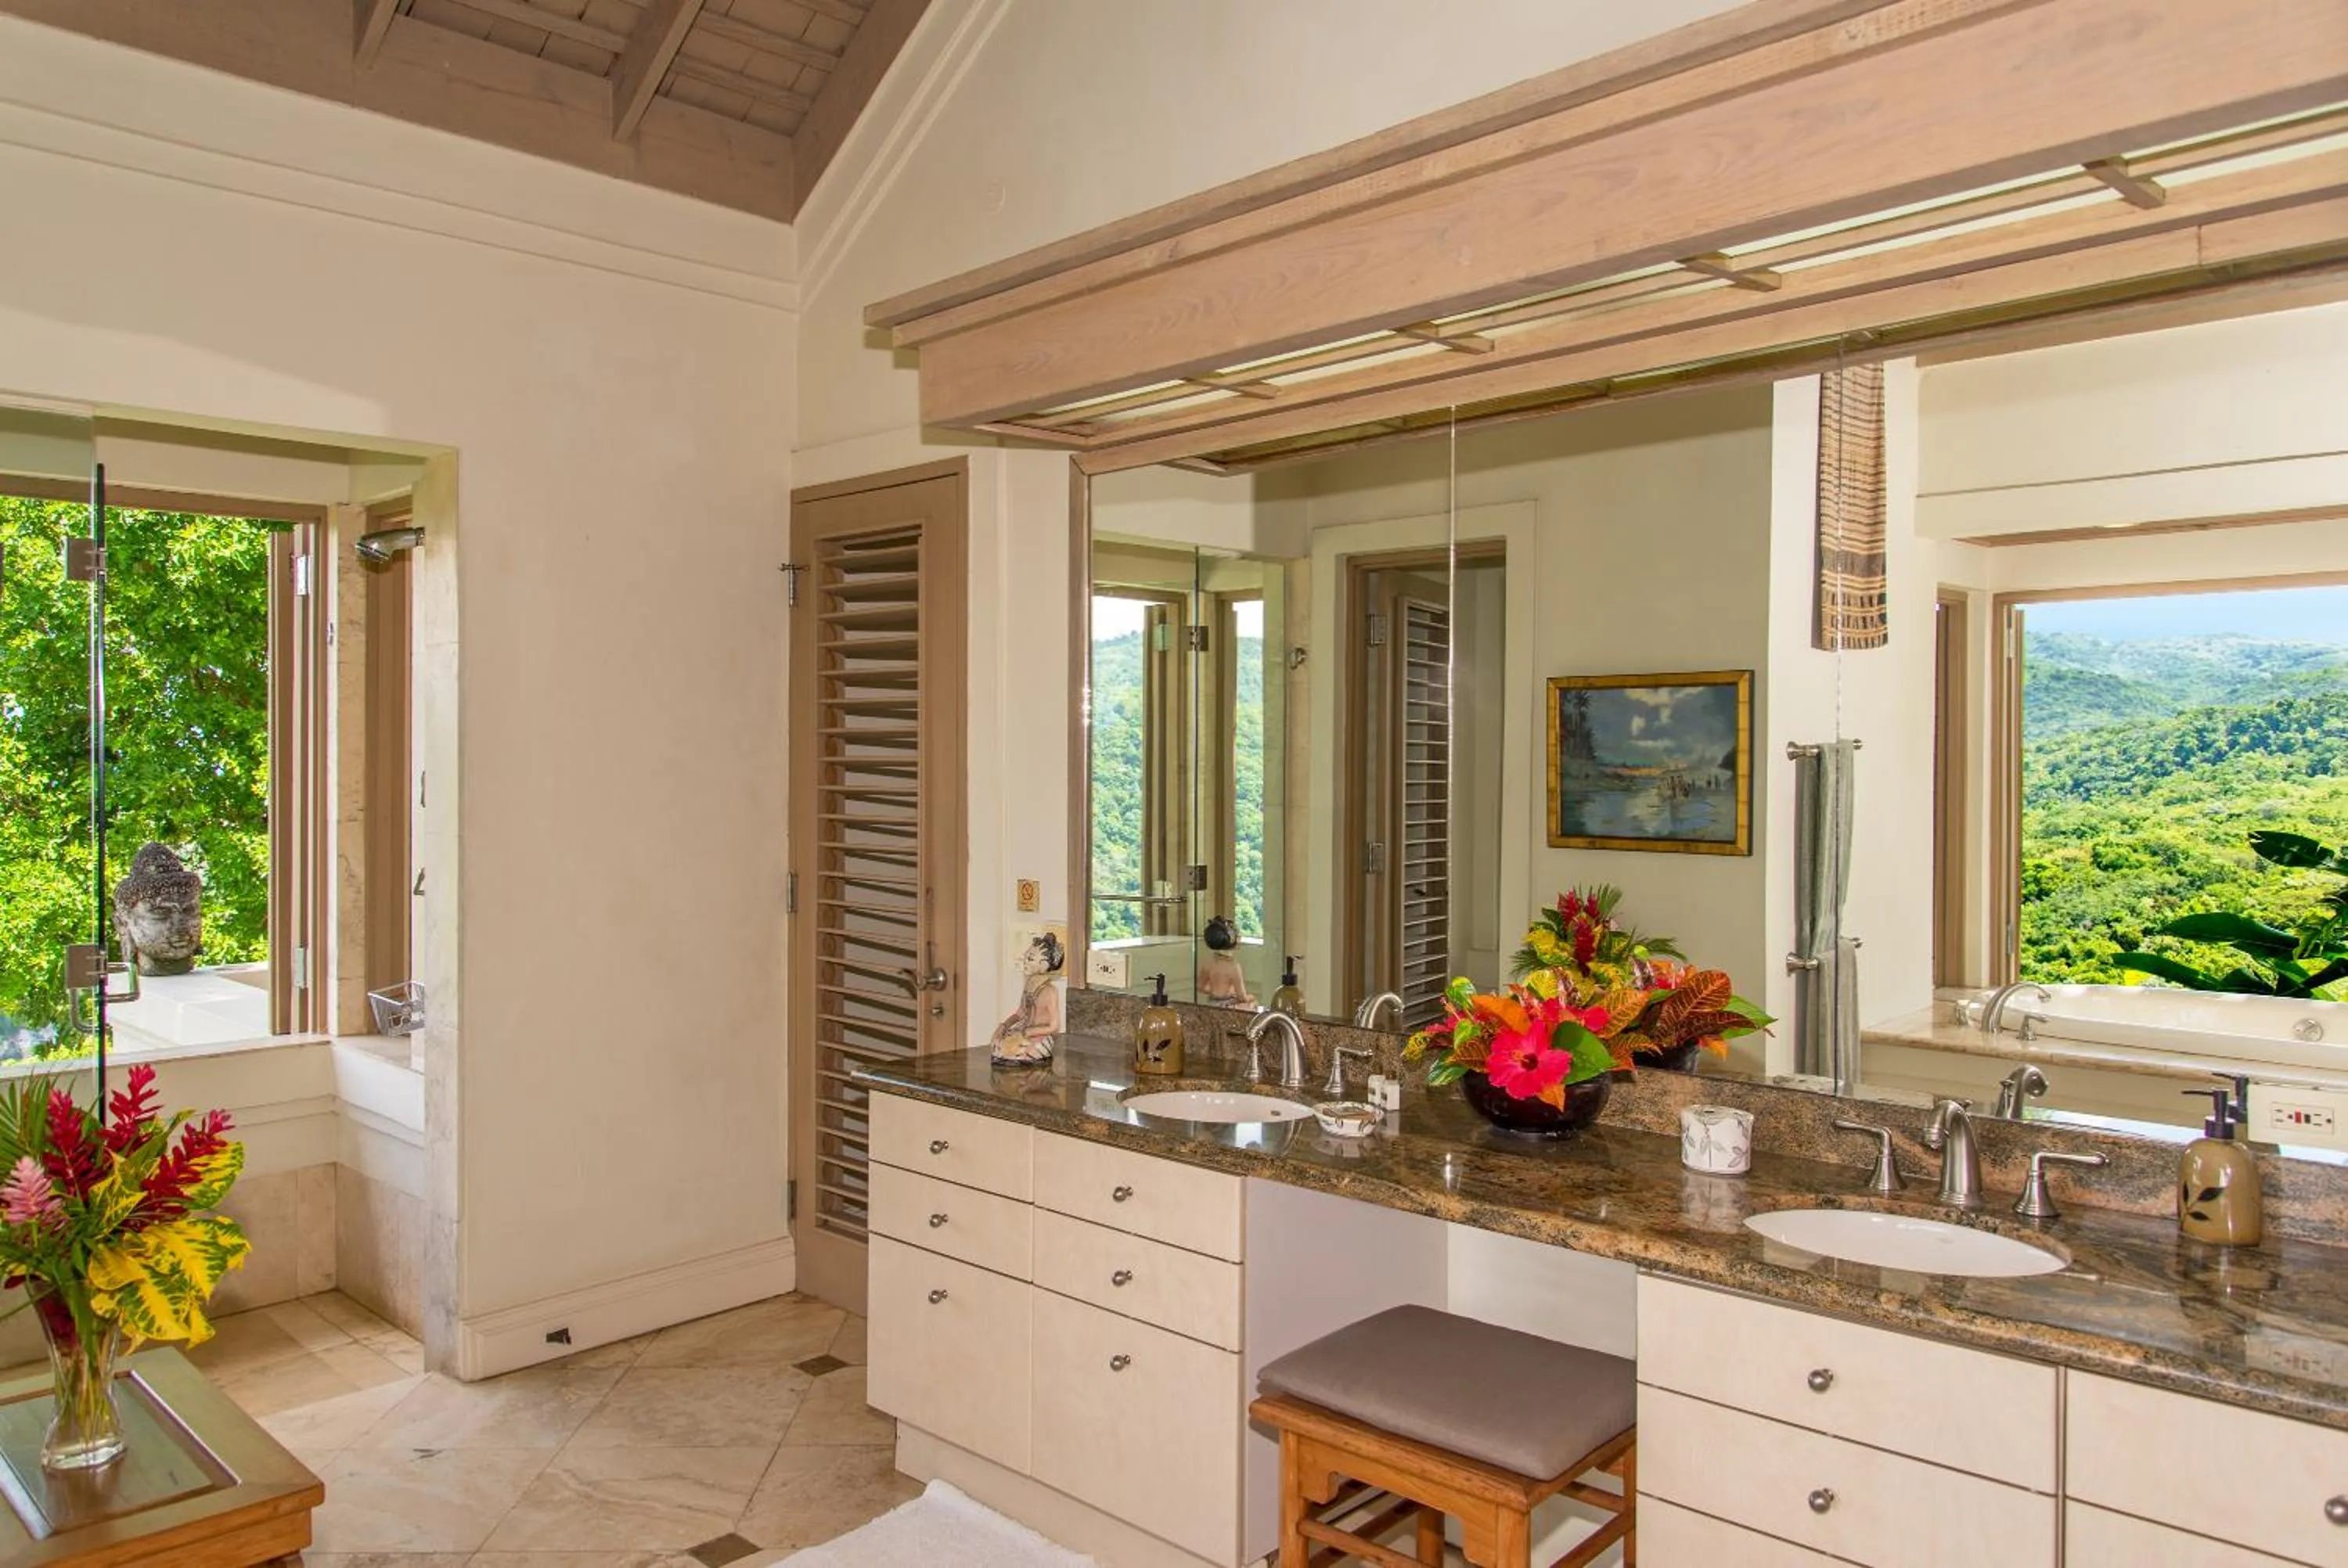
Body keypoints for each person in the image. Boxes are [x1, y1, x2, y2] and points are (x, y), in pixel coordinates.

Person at [989, 930, 1064, 1065]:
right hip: (1023, 1030)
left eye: (1030, 959)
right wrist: (1004, 1026)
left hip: (1036, 1037)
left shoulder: (1050, 991)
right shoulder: (1029, 985)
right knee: (998, 1044)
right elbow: (1020, 1013)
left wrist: (1026, 1033)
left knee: (1016, 1051)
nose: (1025, 962)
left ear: (1044, 965)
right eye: (1026, 957)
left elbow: (1054, 1026)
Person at [1196, 915, 1256, 1009]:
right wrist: (1251, 997)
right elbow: (1242, 997)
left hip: (1211, 1004)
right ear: (1232, 940)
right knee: (1253, 1004)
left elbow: (1200, 987)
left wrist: (1215, 991)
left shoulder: (1208, 963)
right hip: (1227, 1007)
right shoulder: (1234, 967)